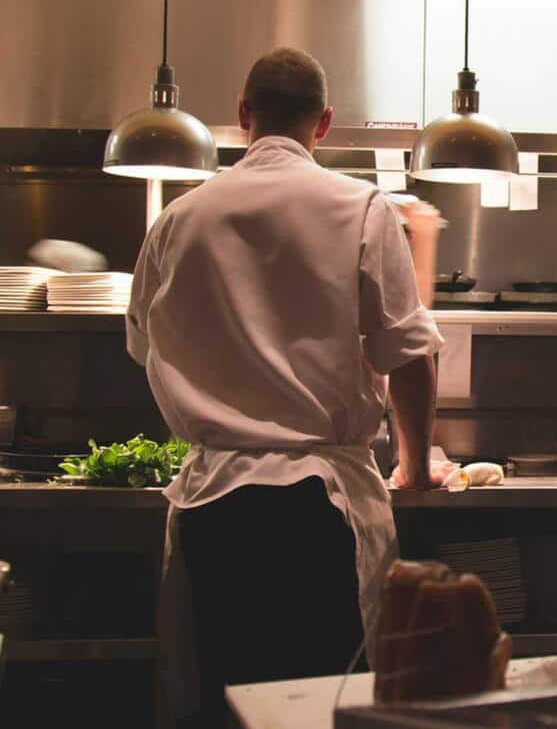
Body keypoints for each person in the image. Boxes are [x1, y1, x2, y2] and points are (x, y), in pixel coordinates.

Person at [126, 47, 444, 727]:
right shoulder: (360, 207)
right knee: (324, 709)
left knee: (229, 703)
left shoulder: (179, 218)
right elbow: (410, 352)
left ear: (242, 116)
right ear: (323, 123)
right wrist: (414, 465)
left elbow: (143, 346)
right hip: (316, 510)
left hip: (215, 505)